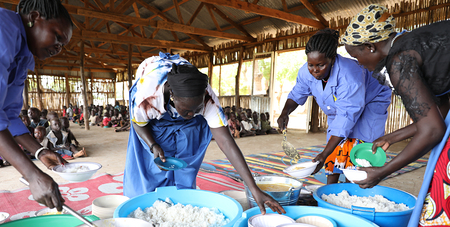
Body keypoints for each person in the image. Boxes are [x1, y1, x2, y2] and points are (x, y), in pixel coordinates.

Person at [342, 5, 450, 227]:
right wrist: (395, 135)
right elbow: (437, 111)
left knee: (442, 192)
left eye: (356, 56)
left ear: (371, 46)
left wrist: (382, 172)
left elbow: (433, 131)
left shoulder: (399, 60)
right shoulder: (412, 43)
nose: (359, 63)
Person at [123, 52, 285, 214]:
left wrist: (253, 188)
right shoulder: (148, 97)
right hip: (154, 115)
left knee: (185, 159)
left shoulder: (207, 97)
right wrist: (153, 145)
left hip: (183, 102)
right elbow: (139, 124)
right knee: (154, 166)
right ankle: (151, 203)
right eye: (187, 111)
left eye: (197, 109)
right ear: (172, 96)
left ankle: (182, 199)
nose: (192, 115)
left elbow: (226, 142)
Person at [277, 28, 392, 185]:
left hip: (372, 100)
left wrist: (323, 155)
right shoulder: (306, 71)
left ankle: (355, 187)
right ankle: (330, 188)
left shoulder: (349, 75)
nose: (315, 70)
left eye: (321, 65)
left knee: (359, 147)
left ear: (332, 59)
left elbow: (346, 118)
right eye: (311, 65)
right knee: (335, 144)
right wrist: (285, 113)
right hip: (342, 109)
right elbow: (298, 93)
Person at [0, 0, 73, 210]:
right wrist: (33, 175)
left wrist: (40, 151)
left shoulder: (22, 57)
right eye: (57, 37)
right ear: (33, 18)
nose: (58, 48)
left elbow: (9, 116)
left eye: (63, 45)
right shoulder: (4, 28)